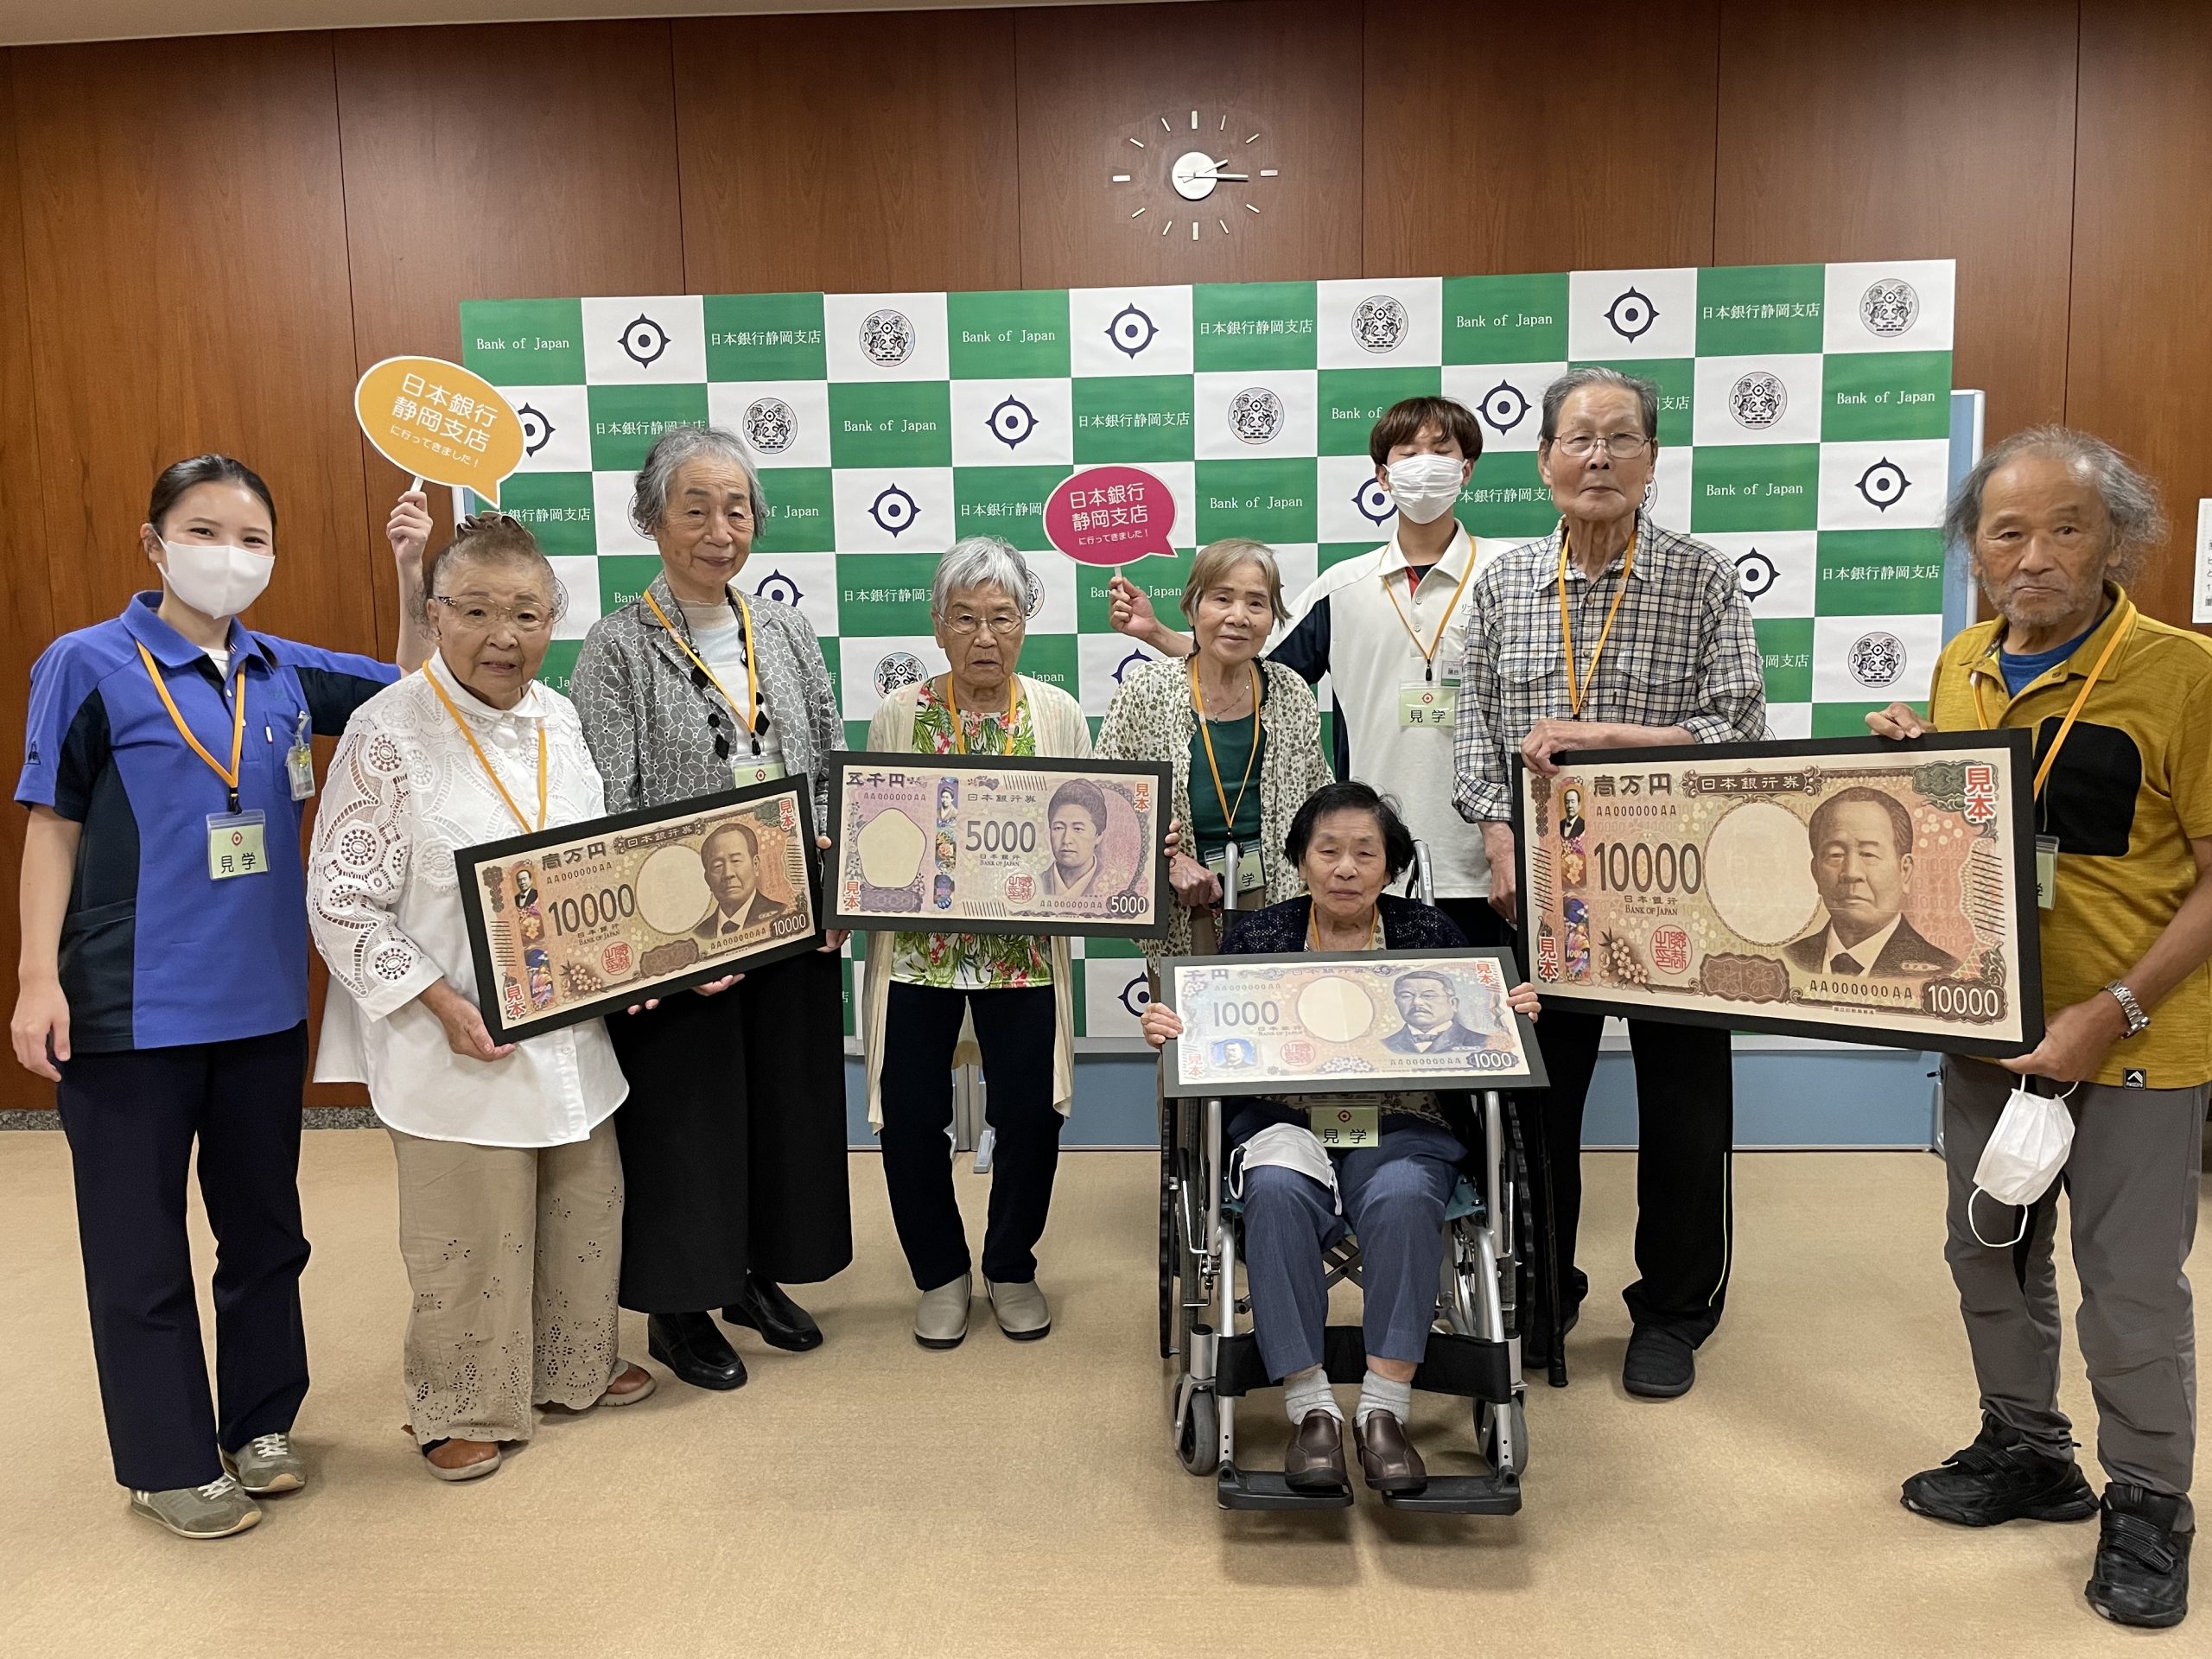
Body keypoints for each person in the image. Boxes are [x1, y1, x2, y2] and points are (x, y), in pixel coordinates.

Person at [10, 454, 429, 1538]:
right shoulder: (86, 663)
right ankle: (165, 1461)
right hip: (128, 1012)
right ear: (155, 546)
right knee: (137, 1249)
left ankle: (261, 1423)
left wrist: (409, 572)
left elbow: (412, 691)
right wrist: (37, 975)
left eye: (252, 539)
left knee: (265, 1235)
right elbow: (52, 824)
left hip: (262, 1011)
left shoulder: (282, 669)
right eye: (204, 532)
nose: (229, 556)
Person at [1867, 426, 2212, 1630]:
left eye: (2066, 529)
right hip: (1988, 1035)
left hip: (2135, 1041)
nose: (2034, 557)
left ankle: (2150, 1503)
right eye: (2006, 532)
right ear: (1974, 548)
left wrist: (2109, 1012)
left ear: (2119, 539)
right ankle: (2027, 1450)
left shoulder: (2183, 674)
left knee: (2129, 1284)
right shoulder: (1961, 664)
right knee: (1991, 1253)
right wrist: (1914, 774)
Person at [307, 514, 652, 1482]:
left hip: (567, 1023)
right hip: (452, 1033)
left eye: (527, 614)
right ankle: (459, 1402)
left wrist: (630, 964)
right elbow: (340, 899)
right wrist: (441, 1004)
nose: (505, 636)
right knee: (469, 1230)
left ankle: (572, 1366)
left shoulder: (560, 719)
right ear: (436, 615)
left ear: (553, 621)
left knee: (584, 1205)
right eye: (478, 612)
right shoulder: (387, 730)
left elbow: (594, 863)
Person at [1451, 366, 1766, 1400]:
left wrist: (1607, 738)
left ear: (1652, 459)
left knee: (1685, 1111)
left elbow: (1739, 728)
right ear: (1543, 459)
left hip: (1680, 886)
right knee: (1540, 1103)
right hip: (1545, 887)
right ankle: (1543, 1289)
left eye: (1620, 438)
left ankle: (1671, 1312)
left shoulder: (1701, 577)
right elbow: (1472, 730)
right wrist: (1498, 839)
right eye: (1578, 439)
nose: (1598, 457)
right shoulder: (1503, 585)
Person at [1140, 783, 1540, 1496]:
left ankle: (1384, 1412)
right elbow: (1214, 1029)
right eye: (1328, 852)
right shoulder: (1259, 937)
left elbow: (1477, 1026)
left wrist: (1508, 1013)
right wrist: (1173, 1027)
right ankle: (1313, 1412)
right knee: (1273, 1191)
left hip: (1401, 1124)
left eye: (1365, 853)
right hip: (1287, 1122)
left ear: (1391, 866)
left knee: (1404, 1195)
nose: (1346, 868)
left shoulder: (1431, 935)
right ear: (1301, 861)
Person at [569, 424, 850, 1392]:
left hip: (786, 909)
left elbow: (825, 759)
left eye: (737, 509)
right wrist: (657, 944)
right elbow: (606, 806)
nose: (720, 530)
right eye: (695, 508)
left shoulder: (785, 631)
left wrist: (835, 888)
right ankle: (679, 1307)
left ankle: (753, 1275)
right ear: (653, 519)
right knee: (687, 1117)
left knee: (778, 1104)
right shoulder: (616, 647)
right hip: (676, 932)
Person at [861, 537, 1166, 1348]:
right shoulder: (900, 713)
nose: (984, 637)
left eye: (1002, 617)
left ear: (1026, 624)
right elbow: (873, 831)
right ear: (937, 627)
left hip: (1023, 953)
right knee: (912, 1116)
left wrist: (1126, 861)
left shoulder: (1056, 711)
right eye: (965, 618)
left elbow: (1095, 822)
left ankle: (1010, 1266)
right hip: (918, 956)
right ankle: (939, 1273)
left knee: (1030, 1115)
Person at [1109, 397, 1506, 941]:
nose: (1425, 466)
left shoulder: (1509, 577)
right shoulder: (1343, 587)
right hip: (1365, 864)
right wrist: (1158, 634)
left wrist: (1508, 842)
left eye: (1441, 451)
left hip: (1490, 857)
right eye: (1408, 454)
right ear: (1382, 475)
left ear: (1467, 468)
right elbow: (1247, 667)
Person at [1096, 538, 1335, 958]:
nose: (1238, 617)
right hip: (1184, 896)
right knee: (1183, 1001)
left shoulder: (1291, 692)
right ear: (1192, 609)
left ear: (1272, 618)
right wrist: (1168, 863)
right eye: (1222, 599)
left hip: (1278, 894)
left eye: (1257, 603)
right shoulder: (1146, 690)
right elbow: (1105, 799)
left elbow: (1319, 803)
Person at [1782, 787, 1959, 976]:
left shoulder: (1944, 971)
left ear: (1905, 871)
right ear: (1816, 872)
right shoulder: (1789, 959)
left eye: (1868, 854)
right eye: (1835, 855)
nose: (1851, 873)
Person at [694, 819, 792, 940]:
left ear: (755, 865)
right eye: (717, 866)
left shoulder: (782, 913)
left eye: (736, 861)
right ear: (708, 879)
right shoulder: (700, 934)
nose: (728, 874)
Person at [1382, 969, 1498, 1054]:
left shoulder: (1487, 1043)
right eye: (1406, 996)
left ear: (1453, 1003)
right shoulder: (1382, 1045)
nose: (1417, 1002)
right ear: (1397, 1002)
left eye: (1428, 996)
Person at [1043, 779, 1108, 899]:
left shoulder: (1112, 885)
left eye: (1078, 829)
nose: (1066, 840)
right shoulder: (1035, 884)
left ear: (1098, 835)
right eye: (1058, 828)